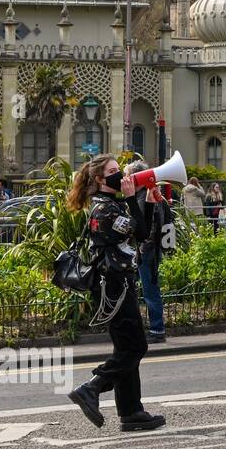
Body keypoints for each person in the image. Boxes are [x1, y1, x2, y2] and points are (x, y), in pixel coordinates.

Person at [64, 155, 166, 432]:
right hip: (113, 288)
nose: (119, 175)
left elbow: (141, 233)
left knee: (126, 348)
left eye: (119, 170)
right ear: (99, 179)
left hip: (117, 284)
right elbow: (137, 229)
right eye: (112, 172)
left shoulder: (111, 205)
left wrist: (147, 202)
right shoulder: (104, 209)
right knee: (136, 347)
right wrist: (136, 199)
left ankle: (131, 411)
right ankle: (92, 387)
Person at [125, 160, 173, 345]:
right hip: (147, 250)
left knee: (150, 290)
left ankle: (157, 329)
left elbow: (141, 224)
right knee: (144, 289)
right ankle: (153, 327)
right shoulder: (148, 194)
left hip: (146, 250)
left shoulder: (145, 196)